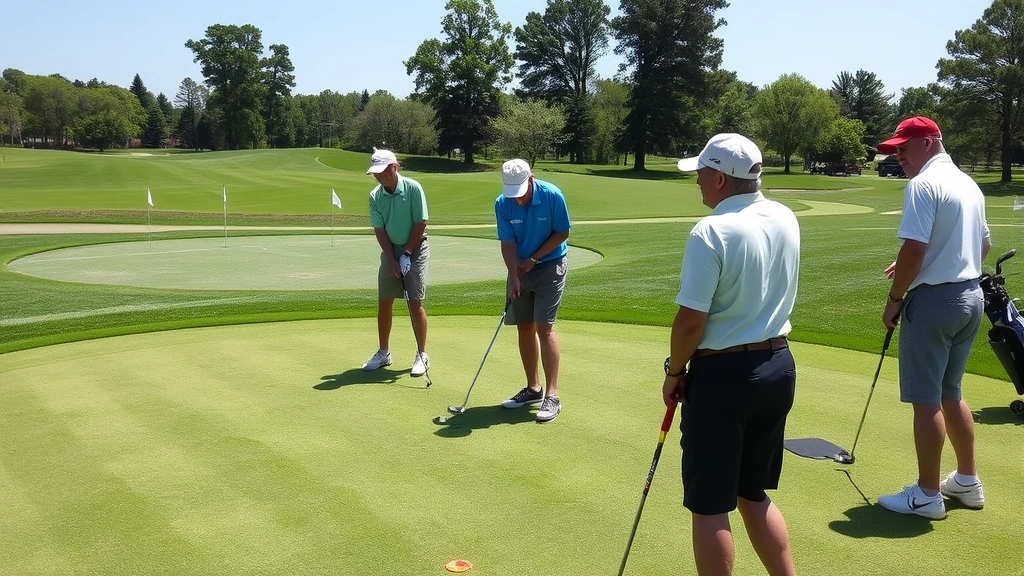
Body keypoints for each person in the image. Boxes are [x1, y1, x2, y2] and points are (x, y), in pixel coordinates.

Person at [667, 133, 799, 575]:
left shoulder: (711, 231)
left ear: (720, 178)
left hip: (725, 377)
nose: (698, 181)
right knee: (752, 493)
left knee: (709, 505)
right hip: (778, 367)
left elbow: (690, 322)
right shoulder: (784, 216)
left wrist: (674, 371)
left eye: (702, 173)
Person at [875, 116, 990, 520]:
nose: (899, 157)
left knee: (926, 401)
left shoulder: (923, 184)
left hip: (935, 304)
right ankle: (967, 480)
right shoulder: (967, 183)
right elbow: (985, 243)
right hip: (971, 297)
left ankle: (927, 494)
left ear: (928, 142)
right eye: (895, 151)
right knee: (950, 392)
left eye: (904, 149)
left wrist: (895, 298)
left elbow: (914, 249)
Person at [494, 159, 571, 423]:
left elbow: (562, 232)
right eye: (511, 193)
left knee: (544, 326)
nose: (517, 200)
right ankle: (533, 389)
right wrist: (514, 275)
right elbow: (507, 242)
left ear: (531, 179)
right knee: (523, 326)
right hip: (520, 268)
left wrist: (535, 258)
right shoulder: (502, 203)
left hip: (550, 264)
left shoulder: (552, 195)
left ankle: (552, 395)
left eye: (521, 192)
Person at [360, 148, 431, 377]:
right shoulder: (375, 196)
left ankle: (422, 354)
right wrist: (392, 259)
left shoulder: (412, 188)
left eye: (383, 172)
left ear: (395, 167)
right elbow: (379, 230)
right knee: (385, 301)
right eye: (376, 174)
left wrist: (407, 253)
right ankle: (384, 353)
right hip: (390, 248)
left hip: (416, 247)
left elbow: (421, 224)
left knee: (414, 302)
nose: (379, 177)